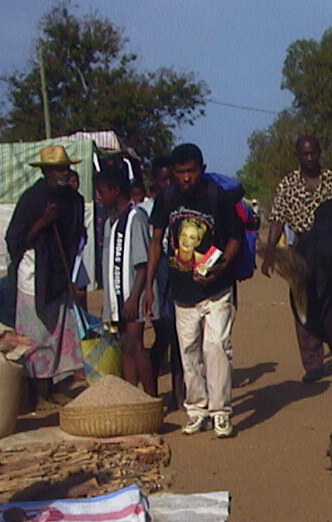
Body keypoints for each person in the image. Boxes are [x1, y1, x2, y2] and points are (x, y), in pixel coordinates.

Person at [146, 143, 243, 438]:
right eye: (180, 172)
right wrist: (149, 285)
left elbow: (235, 239)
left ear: (201, 169)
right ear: (173, 174)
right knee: (188, 351)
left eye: (191, 171)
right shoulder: (166, 199)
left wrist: (220, 268)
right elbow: (156, 240)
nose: (186, 177)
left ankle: (221, 412)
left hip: (217, 290)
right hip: (182, 292)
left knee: (216, 348)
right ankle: (197, 410)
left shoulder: (218, 197)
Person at [5, 144, 87, 405]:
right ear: (46, 172)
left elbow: (76, 240)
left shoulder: (74, 200)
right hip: (34, 276)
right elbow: (15, 239)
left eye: (65, 168)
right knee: (35, 335)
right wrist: (43, 221)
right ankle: (35, 392)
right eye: (57, 170)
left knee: (59, 332)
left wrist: (71, 276)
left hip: (60, 276)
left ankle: (56, 386)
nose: (63, 173)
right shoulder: (32, 199)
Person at [262, 134, 332, 383]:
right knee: (303, 305)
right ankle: (313, 363)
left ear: (319, 152)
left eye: (313, 153)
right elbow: (278, 218)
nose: (310, 158)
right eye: (305, 154)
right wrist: (269, 253)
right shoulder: (288, 184)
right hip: (301, 249)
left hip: (331, 247)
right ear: (298, 156)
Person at [96, 167, 152, 390]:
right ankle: (132, 398)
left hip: (131, 295)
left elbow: (142, 264)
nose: (99, 198)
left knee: (137, 346)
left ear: (116, 191)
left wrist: (134, 297)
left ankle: (150, 398)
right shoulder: (111, 223)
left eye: (102, 192)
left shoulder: (135, 218)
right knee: (125, 347)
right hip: (117, 298)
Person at [134, 157, 184, 404]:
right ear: (154, 182)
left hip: (177, 270)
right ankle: (151, 389)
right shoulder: (144, 211)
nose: (167, 184)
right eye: (162, 180)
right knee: (162, 333)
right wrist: (147, 286)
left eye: (170, 179)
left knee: (178, 334)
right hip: (157, 273)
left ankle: (179, 391)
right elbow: (148, 249)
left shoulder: (180, 206)